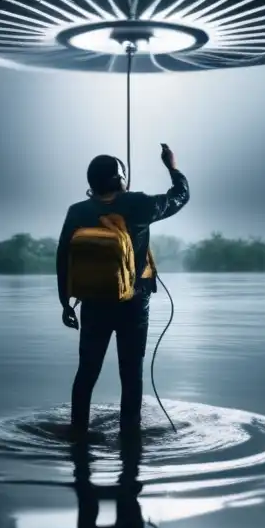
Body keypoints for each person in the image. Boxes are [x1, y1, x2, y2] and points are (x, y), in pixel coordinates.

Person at [56, 143, 190, 439]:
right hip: (134, 305)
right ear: (120, 179)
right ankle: (130, 436)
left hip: (92, 303)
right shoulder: (139, 204)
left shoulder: (78, 211)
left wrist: (65, 304)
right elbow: (181, 197)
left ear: (91, 183)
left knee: (87, 372)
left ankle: (78, 430)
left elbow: (63, 255)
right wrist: (172, 167)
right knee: (131, 375)